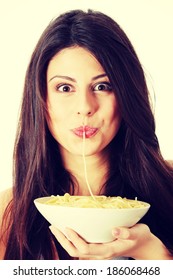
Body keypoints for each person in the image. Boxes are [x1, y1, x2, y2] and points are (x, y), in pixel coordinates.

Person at [0, 9, 173, 260]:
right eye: (65, 87)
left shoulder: (169, 187)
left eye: (102, 86)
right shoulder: (10, 211)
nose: (85, 106)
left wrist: (152, 254)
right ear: (40, 99)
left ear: (126, 95)